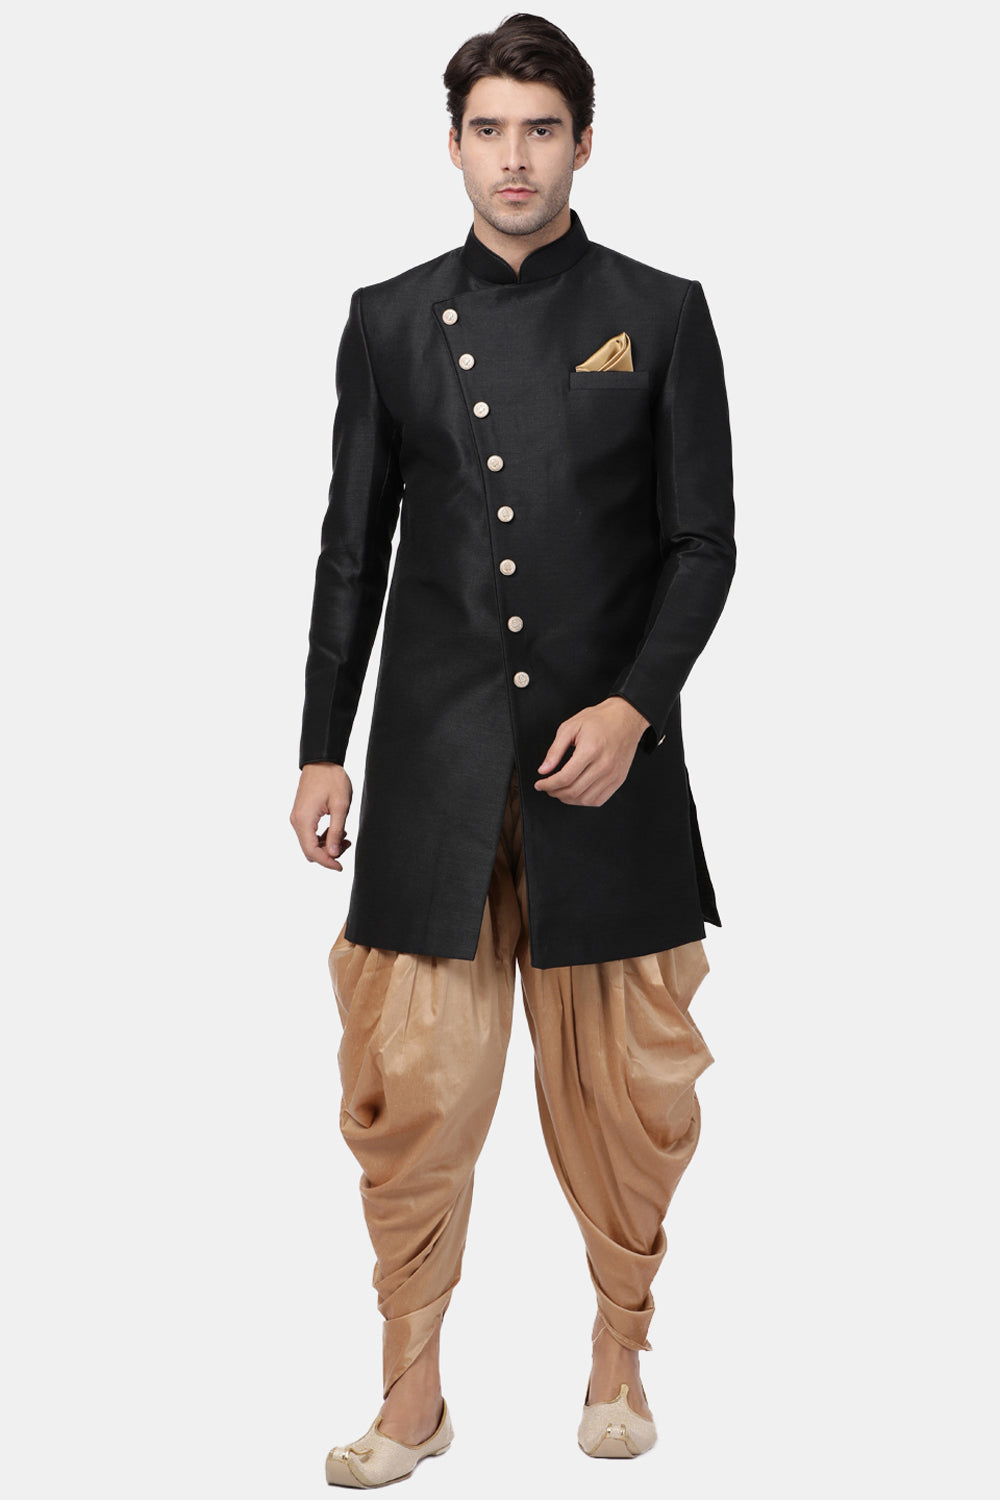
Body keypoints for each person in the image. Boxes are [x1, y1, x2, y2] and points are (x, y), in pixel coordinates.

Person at [289, 11, 736, 1483]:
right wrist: (321, 747)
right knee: (409, 1087)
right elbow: (350, 551)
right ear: (454, 146)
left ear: (584, 142)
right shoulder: (389, 318)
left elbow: (703, 544)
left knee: (629, 1091)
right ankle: (412, 1392)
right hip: (433, 764)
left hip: (607, 768)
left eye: (542, 128)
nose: (516, 157)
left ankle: (618, 1355)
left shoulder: (661, 313)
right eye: (489, 129)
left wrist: (634, 707)